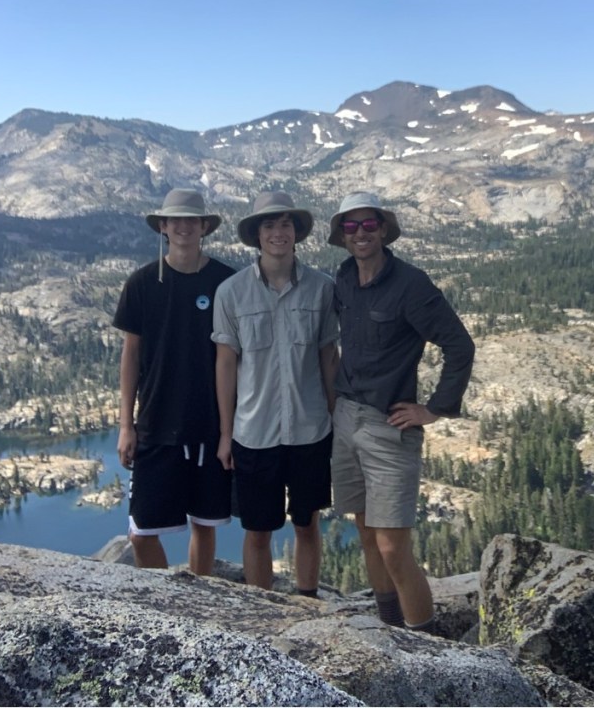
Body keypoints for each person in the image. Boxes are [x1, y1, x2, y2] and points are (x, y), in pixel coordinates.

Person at [328, 190, 474, 632]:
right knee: (367, 535)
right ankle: (390, 628)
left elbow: (459, 345)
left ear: (383, 230)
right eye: (351, 226)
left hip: (389, 428)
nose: (360, 233)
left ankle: (426, 642)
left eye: (369, 224)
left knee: (393, 546)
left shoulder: (411, 284)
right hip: (346, 419)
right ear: (342, 235)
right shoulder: (344, 278)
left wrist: (434, 409)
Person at [212, 191, 339, 596]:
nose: (278, 232)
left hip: (310, 429)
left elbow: (328, 359)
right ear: (257, 234)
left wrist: (336, 420)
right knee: (257, 531)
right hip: (254, 433)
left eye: (286, 224)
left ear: (297, 232)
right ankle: (261, 610)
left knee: (307, 523)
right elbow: (226, 365)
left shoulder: (322, 289)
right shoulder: (231, 293)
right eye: (269, 225)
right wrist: (226, 434)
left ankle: (308, 601)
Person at [113, 188, 235, 574]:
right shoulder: (141, 283)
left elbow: (235, 359)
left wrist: (228, 432)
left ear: (204, 227)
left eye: (192, 220)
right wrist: (126, 425)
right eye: (176, 220)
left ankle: (198, 598)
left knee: (205, 523)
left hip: (209, 424)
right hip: (156, 424)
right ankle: (165, 598)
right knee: (141, 533)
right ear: (163, 227)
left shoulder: (225, 282)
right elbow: (131, 356)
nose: (184, 226)